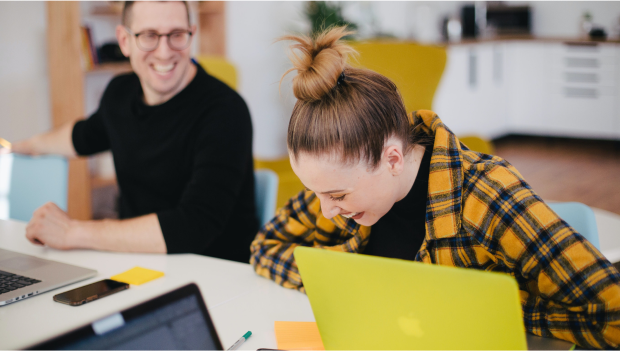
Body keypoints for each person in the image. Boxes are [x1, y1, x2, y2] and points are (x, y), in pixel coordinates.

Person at [250, 26, 620, 348]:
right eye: (316, 192)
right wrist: (348, 285)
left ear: (392, 159)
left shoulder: (486, 195)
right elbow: (265, 247)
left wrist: (493, 309)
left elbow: (611, 313)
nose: (326, 209)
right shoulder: (341, 186)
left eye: (337, 196)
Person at [10, 0, 258, 263]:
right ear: (124, 41)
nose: (164, 52)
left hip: (216, 275)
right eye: (149, 36)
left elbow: (194, 226)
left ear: (191, 35)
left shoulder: (226, 111)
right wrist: (19, 146)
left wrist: (73, 231)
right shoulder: (120, 93)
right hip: (137, 263)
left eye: (176, 35)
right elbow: (82, 136)